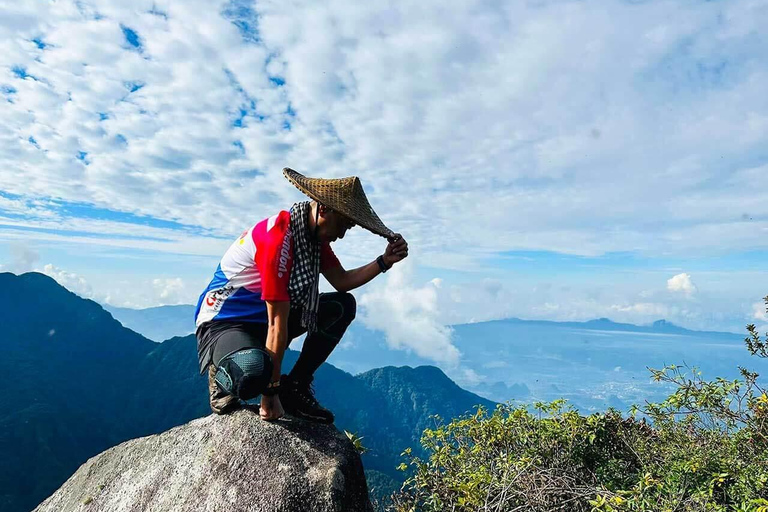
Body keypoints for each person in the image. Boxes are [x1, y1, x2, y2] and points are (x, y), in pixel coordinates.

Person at [194, 168, 408, 423]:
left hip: (263, 319)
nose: (341, 235)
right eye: (342, 225)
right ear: (324, 210)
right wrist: (269, 395)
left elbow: (342, 281)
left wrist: (384, 261)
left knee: (341, 307)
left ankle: (295, 386)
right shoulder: (277, 239)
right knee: (253, 370)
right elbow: (277, 323)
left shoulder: (311, 240)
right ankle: (221, 375)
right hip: (226, 322)